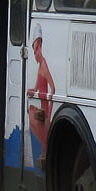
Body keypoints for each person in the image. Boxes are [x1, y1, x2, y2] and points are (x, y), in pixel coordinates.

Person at [26, 23, 55, 165]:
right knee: (31, 115)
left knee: (34, 119)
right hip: (41, 102)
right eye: (33, 49)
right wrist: (31, 91)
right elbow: (36, 88)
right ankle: (45, 150)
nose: (34, 53)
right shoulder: (39, 66)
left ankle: (45, 149)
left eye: (36, 49)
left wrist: (50, 109)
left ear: (41, 47)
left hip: (45, 106)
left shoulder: (44, 65)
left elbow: (53, 87)